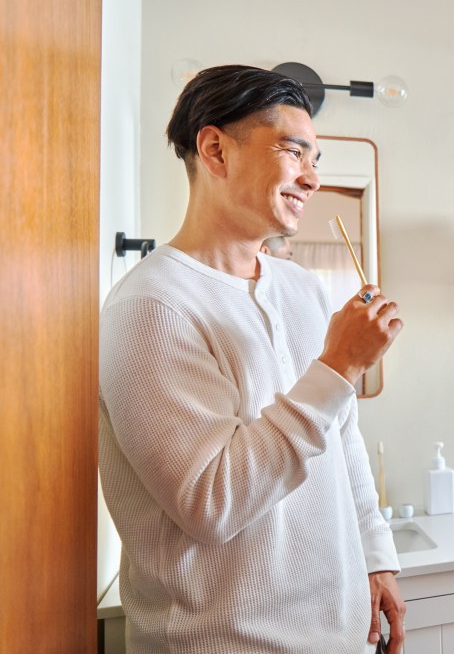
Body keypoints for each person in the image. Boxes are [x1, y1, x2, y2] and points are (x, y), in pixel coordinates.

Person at [99, 65, 406, 654]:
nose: (313, 179)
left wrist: (375, 556)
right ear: (215, 150)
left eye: (316, 160)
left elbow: (341, 437)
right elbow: (211, 503)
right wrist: (338, 368)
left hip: (342, 638)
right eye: (295, 152)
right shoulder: (151, 306)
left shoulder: (304, 289)